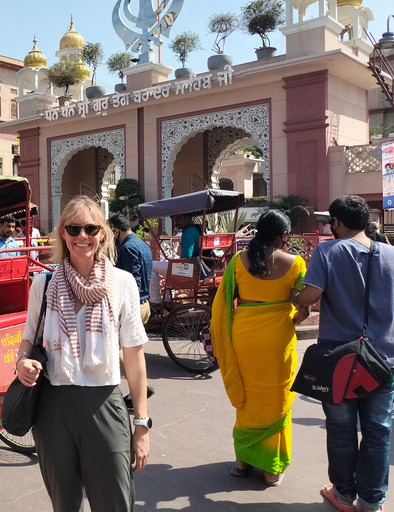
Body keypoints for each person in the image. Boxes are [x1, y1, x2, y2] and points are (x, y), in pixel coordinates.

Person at [16, 196, 149, 512]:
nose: (82, 236)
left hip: (103, 403)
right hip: (52, 408)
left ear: (103, 233)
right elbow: (26, 341)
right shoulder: (44, 283)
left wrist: (142, 425)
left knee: (114, 503)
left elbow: (134, 358)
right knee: (65, 504)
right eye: (73, 228)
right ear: (63, 233)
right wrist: (22, 363)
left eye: (90, 228)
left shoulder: (122, 283)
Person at [291, 195, 394, 512]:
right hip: (384, 360)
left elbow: (312, 295)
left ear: (336, 223)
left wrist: (294, 295)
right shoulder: (391, 254)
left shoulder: (327, 251)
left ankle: (344, 495)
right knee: (379, 432)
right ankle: (372, 501)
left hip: (339, 359)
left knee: (341, 431)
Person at [211, 210, 309, 487]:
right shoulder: (296, 263)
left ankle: (241, 461)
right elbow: (303, 310)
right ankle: (270, 469)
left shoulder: (238, 262)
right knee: (277, 402)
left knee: (248, 399)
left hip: (244, 339)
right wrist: (289, 316)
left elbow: (223, 304)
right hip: (278, 342)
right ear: (284, 236)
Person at [110, 213, 155, 405]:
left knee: (120, 352)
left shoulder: (127, 248)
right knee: (131, 350)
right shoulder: (141, 244)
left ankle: (140, 387)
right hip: (144, 304)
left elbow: (132, 281)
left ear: (116, 231)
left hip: (133, 306)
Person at [149, 213, 202, 310]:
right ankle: (168, 301)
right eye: (174, 219)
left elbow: (186, 257)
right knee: (168, 267)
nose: (176, 221)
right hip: (198, 268)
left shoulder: (188, 232)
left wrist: (175, 264)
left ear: (187, 217)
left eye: (179, 218)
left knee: (151, 265)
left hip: (191, 270)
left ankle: (156, 301)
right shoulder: (196, 229)